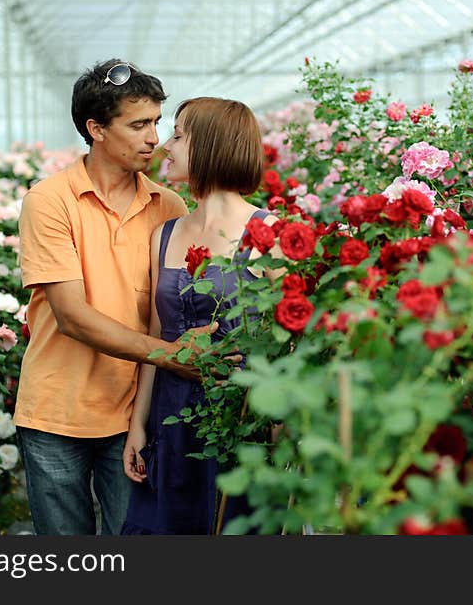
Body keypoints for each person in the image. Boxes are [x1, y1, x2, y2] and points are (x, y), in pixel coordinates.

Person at [15, 59, 217, 535]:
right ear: (96, 129)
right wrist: (172, 357)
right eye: (138, 124)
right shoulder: (51, 201)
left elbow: (171, 307)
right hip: (56, 412)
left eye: (157, 124)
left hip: (134, 415)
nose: (154, 138)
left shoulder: (168, 206)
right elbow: (73, 318)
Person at [121, 97, 283, 535]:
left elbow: (284, 348)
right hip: (170, 421)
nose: (164, 146)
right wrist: (138, 427)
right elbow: (156, 336)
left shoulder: (268, 235)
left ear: (210, 145)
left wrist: (276, 436)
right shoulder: (165, 234)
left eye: (178, 135)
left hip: (239, 421)